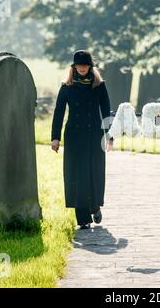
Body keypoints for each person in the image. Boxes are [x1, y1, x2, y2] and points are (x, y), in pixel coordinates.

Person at [51, 50, 113, 229]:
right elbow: (59, 112)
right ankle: (83, 218)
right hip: (74, 136)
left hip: (95, 135)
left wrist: (109, 134)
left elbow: (106, 110)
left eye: (85, 65)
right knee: (77, 175)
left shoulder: (99, 86)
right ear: (74, 67)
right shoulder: (67, 87)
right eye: (79, 65)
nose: (82, 68)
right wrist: (55, 138)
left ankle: (94, 206)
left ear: (90, 67)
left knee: (94, 171)